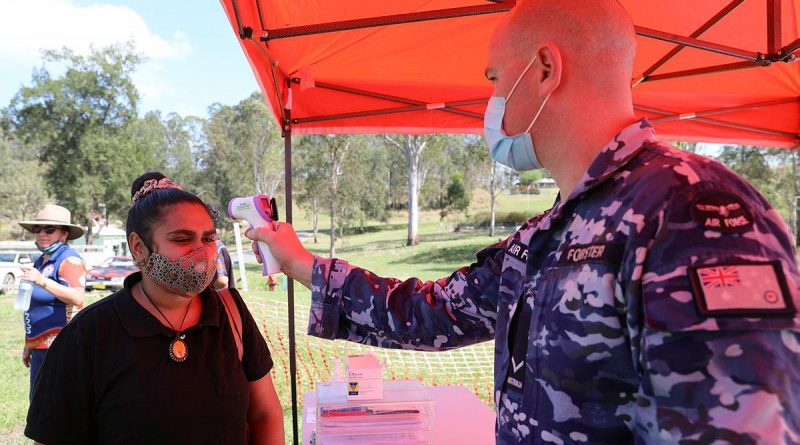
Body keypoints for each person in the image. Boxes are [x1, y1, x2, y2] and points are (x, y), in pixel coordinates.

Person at [245, 1, 800, 443]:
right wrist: (305, 266)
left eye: (494, 78)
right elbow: (433, 312)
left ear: (544, 68)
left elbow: (738, 428)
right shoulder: (553, 231)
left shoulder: (693, 211)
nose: (489, 100)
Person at [25, 172, 284, 444]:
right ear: (138, 247)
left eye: (208, 239)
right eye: (182, 239)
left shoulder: (231, 312)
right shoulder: (88, 334)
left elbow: (265, 415)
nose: (201, 253)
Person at [18, 204, 86, 399]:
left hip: (62, 345)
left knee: (56, 405)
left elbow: (77, 297)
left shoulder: (70, 261)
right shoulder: (41, 261)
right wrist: (29, 343)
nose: (42, 234)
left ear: (64, 235)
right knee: (39, 404)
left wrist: (42, 281)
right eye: (38, 229)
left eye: (49, 229)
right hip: (40, 346)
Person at [207, 204, 236, 290]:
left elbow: (222, 281)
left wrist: (208, 292)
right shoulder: (217, 244)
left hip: (217, 300)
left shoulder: (214, 246)